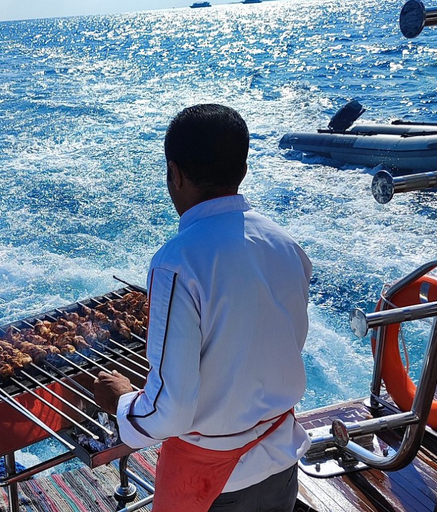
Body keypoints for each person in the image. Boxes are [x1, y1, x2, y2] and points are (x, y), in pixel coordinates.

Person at [93, 104, 312, 512]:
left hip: (215, 487)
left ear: (174, 173)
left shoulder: (177, 262)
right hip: (281, 463)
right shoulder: (285, 243)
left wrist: (122, 400)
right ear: (242, 170)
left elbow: (170, 412)